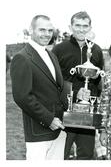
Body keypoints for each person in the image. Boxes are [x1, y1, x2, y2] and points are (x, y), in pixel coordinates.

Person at [10, 15, 67, 160]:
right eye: (42, 30)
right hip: (39, 132)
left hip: (60, 129)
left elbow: (57, 87)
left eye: (50, 30)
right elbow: (22, 97)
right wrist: (48, 120)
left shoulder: (51, 55)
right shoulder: (22, 57)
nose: (47, 34)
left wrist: (77, 95)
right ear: (31, 30)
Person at [52, 11, 104, 160]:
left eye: (85, 26)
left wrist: (94, 90)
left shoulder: (97, 50)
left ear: (90, 27)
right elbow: (54, 81)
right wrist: (75, 92)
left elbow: (98, 80)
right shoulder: (59, 49)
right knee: (61, 155)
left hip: (88, 113)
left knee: (86, 155)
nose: (81, 29)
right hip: (64, 112)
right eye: (77, 26)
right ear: (70, 26)